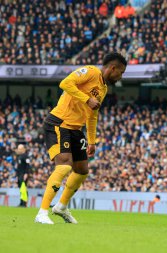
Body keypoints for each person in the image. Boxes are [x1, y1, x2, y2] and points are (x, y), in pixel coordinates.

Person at [35, 52, 127, 224]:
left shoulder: (103, 88)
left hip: (76, 129)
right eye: (121, 72)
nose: (121, 76)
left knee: (82, 170)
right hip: (59, 122)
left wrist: (92, 141)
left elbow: (92, 115)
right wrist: (86, 99)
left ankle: (61, 207)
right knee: (63, 166)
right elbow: (65, 83)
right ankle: (42, 213)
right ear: (112, 68)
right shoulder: (90, 72)